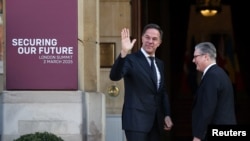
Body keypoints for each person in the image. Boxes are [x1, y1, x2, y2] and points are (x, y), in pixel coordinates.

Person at [109, 23, 173, 141]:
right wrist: (123, 52)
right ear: (142, 38)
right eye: (147, 37)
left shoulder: (160, 64)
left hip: (156, 122)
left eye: (154, 39)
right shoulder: (130, 59)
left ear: (159, 42)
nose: (150, 41)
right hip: (136, 122)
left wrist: (167, 114)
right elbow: (114, 76)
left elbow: (162, 91)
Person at [191, 42, 237, 141]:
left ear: (206, 57)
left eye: (195, 57)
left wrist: (198, 136)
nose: (193, 60)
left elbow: (208, 108)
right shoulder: (218, 73)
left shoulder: (212, 76)